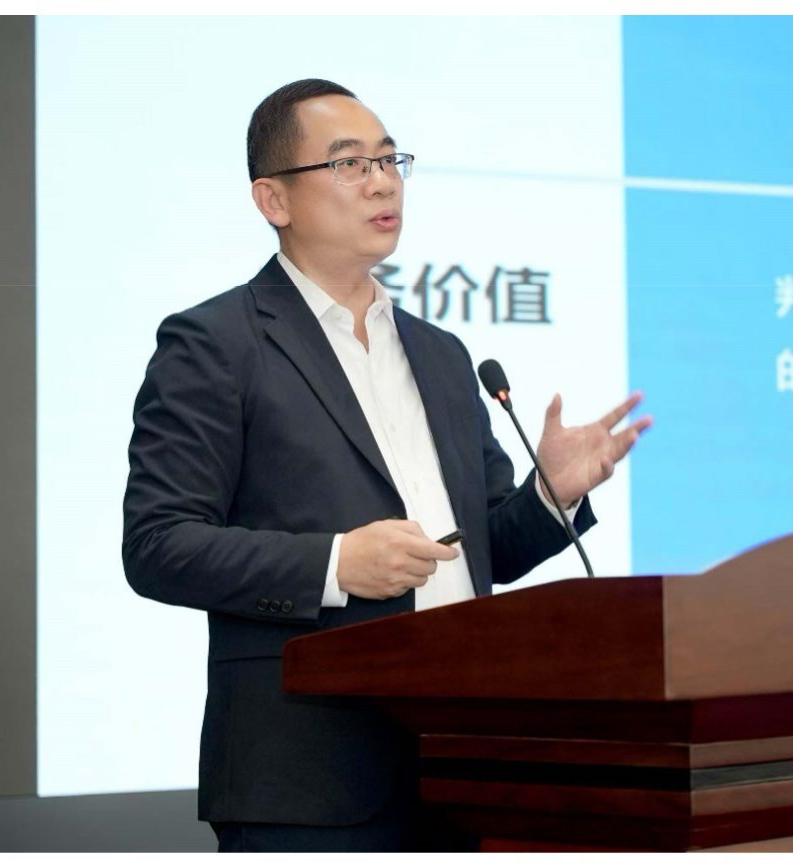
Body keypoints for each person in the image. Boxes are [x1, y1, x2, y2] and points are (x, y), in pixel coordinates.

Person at [122, 78, 652, 852]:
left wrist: (550, 496)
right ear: (274, 200)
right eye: (348, 164)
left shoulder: (441, 354)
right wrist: (337, 564)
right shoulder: (216, 344)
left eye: (389, 159)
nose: (381, 182)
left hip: (464, 769)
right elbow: (159, 546)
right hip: (308, 779)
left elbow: (483, 552)